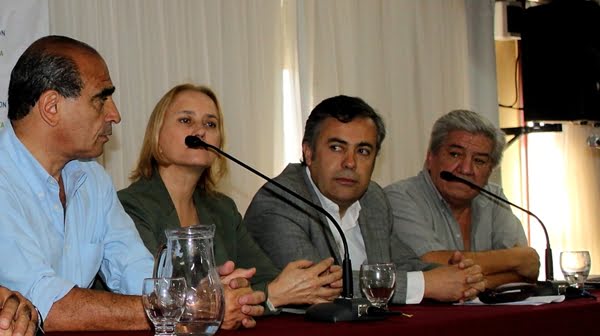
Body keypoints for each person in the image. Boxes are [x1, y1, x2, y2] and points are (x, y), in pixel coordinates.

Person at [0, 35, 262, 332]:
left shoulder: (92, 178)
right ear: (51, 107)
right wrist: (184, 309)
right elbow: (47, 305)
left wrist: (199, 294)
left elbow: (134, 271)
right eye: (101, 99)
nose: (115, 114)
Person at [117, 84, 343, 314]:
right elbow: (162, 296)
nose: (200, 131)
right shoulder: (129, 206)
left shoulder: (223, 209)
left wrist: (300, 283)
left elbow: (264, 277)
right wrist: (270, 295)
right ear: (157, 136)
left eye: (210, 124)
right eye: (186, 120)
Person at [244, 95, 486, 304]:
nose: (350, 163)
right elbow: (321, 285)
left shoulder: (373, 198)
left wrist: (454, 275)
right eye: (337, 148)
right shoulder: (279, 201)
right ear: (309, 152)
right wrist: (424, 284)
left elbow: (401, 264)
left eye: (363, 151)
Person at [384, 109, 540, 289]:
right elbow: (432, 264)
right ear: (430, 157)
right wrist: (516, 258)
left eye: (479, 161)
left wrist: (479, 284)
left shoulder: (494, 198)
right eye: (455, 155)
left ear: (491, 170)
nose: (466, 169)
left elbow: (528, 272)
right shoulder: (400, 197)